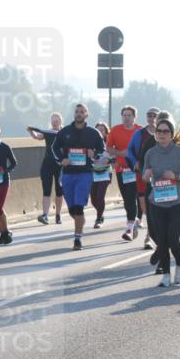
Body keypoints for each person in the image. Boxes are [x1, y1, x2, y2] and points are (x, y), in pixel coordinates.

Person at [143, 118, 180, 287]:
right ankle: (165, 274)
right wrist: (147, 175)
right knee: (162, 241)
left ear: (171, 134)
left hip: (176, 202)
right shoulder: (150, 153)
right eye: (159, 131)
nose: (162, 134)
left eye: (165, 131)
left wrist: (176, 176)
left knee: (173, 238)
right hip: (157, 202)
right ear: (155, 134)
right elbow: (144, 177)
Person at [52, 103, 105, 251]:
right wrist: (62, 159)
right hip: (68, 174)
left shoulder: (93, 133)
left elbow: (102, 148)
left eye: (82, 112)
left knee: (79, 208)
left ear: (86, 114)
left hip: (84, 173)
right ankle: (80, 223)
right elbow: (54, 148)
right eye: (77, 111)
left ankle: (77, 239)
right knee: (72, 210)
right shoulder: (65, 132)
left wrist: (94, 154)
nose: (79, 114)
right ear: (74, 114)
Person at [105, 106, 142, 240]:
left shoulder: (140, 131)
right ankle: (135, 220)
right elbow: (108, 148)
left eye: (129, 115)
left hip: (137, 170)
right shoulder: (115, 130)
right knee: (128, 199)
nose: (126, 118)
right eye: (124, 115)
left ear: (134, 117)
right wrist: (121, 153)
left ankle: (130, 228)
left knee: (137, 197)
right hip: (123, 170)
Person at [127, 107, 161, 251]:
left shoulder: (164, 133)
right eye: (149, 115)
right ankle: (141, 226)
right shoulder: (139, 133)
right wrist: (135, 162)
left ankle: (149, 237)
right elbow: (130, 150)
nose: (151, 117)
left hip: (159, 174)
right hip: (143, 173)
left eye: (154, 115)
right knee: (145, 206)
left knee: (156, 206)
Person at [27, 113, 64, 225]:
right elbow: (37, 137)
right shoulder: (48, 132)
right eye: (53, 120)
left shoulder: (64, 133)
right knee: (46, 190)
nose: (55, 122)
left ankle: (58, 214)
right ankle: (45, 215)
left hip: (60, 164)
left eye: (57, 120)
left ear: (60, 121)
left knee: (59, 191)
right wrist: (31, 131)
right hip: (48, 164)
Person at [90, 122, 112, 229]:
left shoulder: (109, 143)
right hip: (93, 173)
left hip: (105, 173)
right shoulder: (90, 143)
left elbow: (115, 157)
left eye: (102, 130)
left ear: (106, 132)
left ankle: (98, 219)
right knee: (93, 199)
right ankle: (101, 212)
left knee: (100, 196)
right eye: (98, 130)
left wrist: (109, 159)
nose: (100, 132)